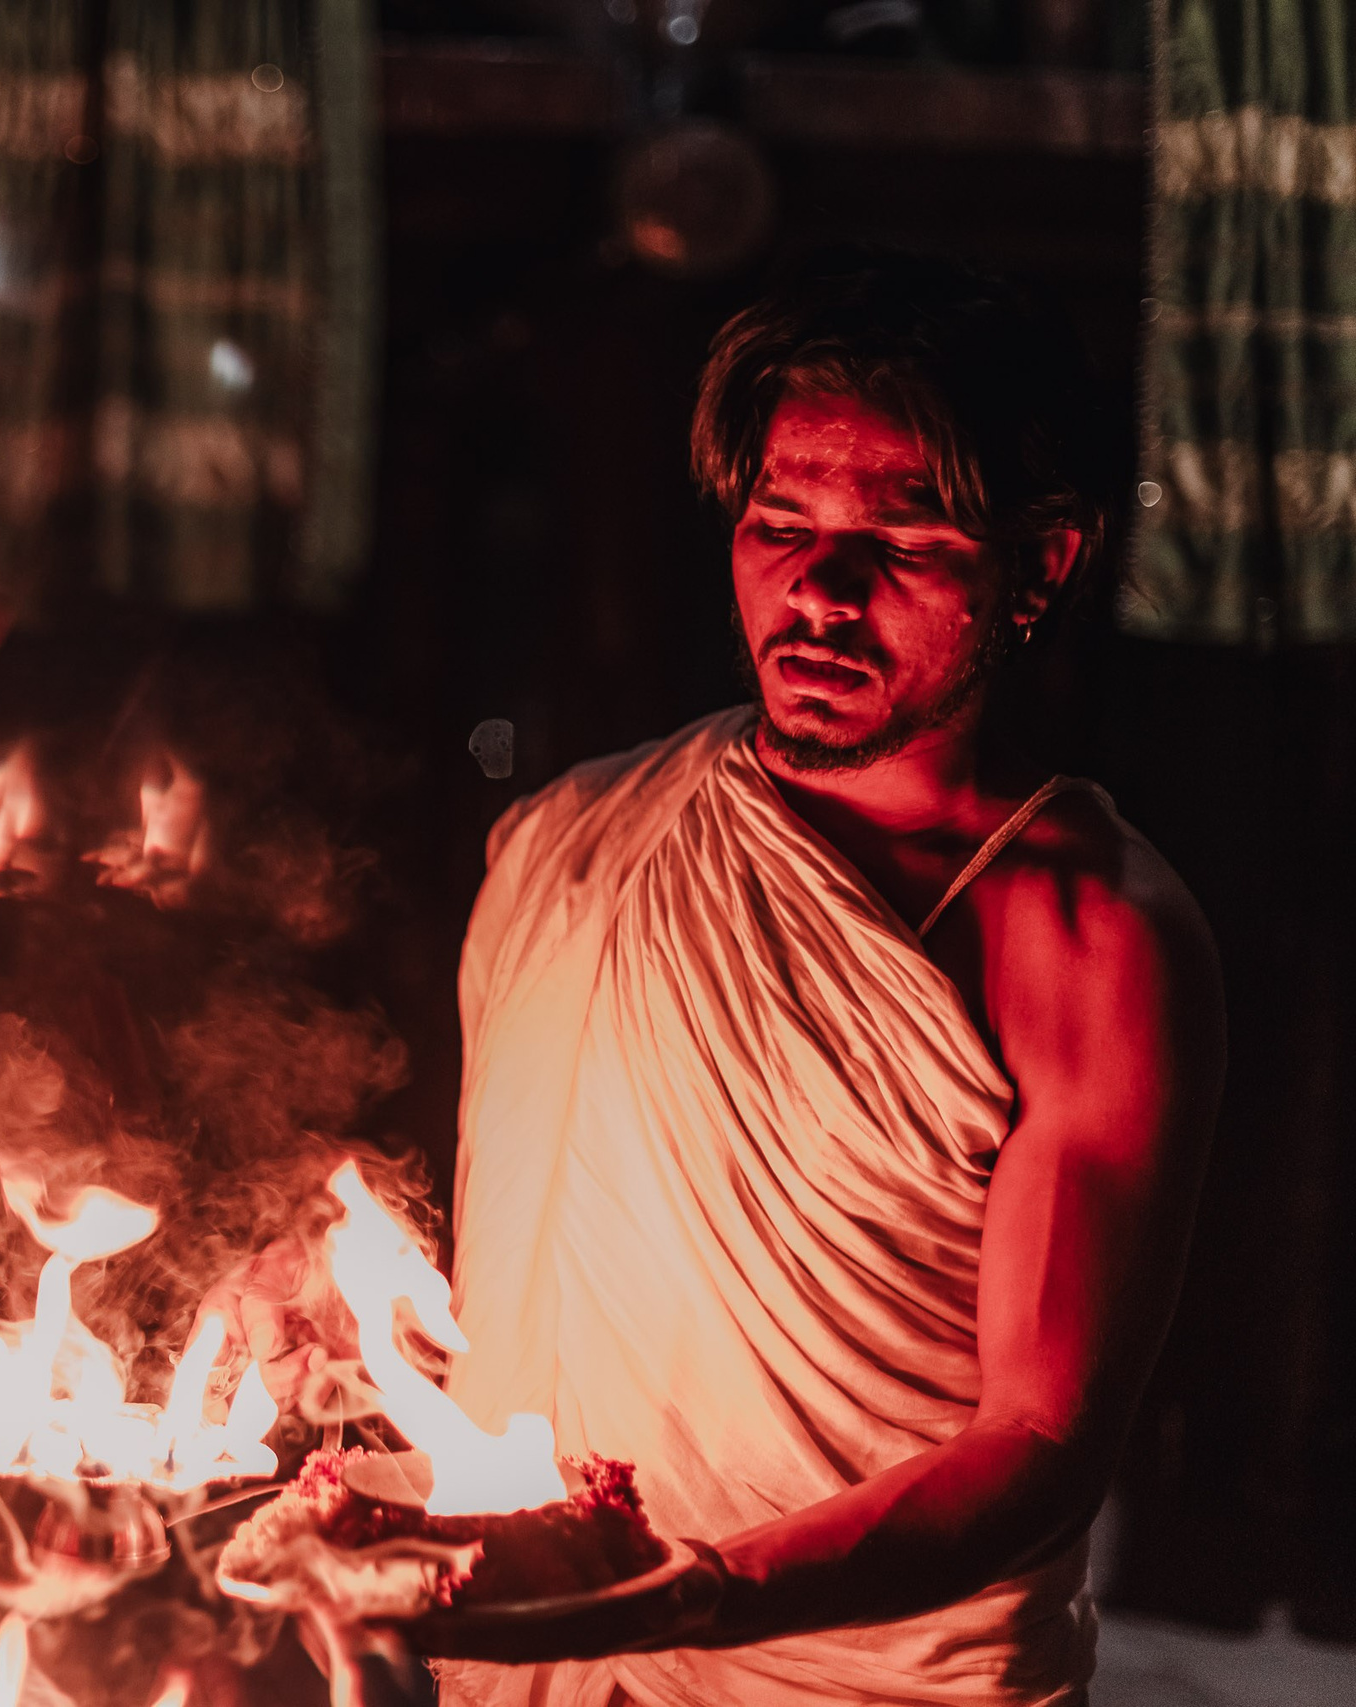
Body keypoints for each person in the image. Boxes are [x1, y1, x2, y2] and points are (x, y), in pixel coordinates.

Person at [414, 252, 1223, 1704]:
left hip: (855, 1677)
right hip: (528, 1659)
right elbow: (528, 1266)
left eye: (904, 542)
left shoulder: (1084, 935)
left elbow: (1042, 1442)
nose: (821, 590)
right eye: (779, 522)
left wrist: (705, 1597)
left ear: (1041, 565)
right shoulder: (574, 839)